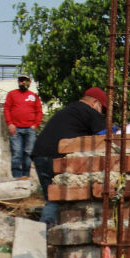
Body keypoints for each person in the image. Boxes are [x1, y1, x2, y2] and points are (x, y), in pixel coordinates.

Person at [30, 87, 108, 226]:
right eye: (102, 109)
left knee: (51, 199)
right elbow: (105, 137)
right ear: (96, 103)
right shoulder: (90, 111)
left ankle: (45, 236)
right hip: (55, 157)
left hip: (39, 154)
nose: (102, 113)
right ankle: (44, 238)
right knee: (56, 200)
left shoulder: (70, 110)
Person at [4, 74, 43, 178]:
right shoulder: (12, 94)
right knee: (17, 153)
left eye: (25, 80)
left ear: (29, 82)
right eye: (21, 80)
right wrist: (10, 123)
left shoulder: (34, 96)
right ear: (18, 82)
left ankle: (26, 177)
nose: (23, 82)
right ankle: (17, 177)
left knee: (28, 153)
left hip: (30, 129)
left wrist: (35, 125)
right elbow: (7, 109)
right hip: (15, 129)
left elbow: (39, 112)